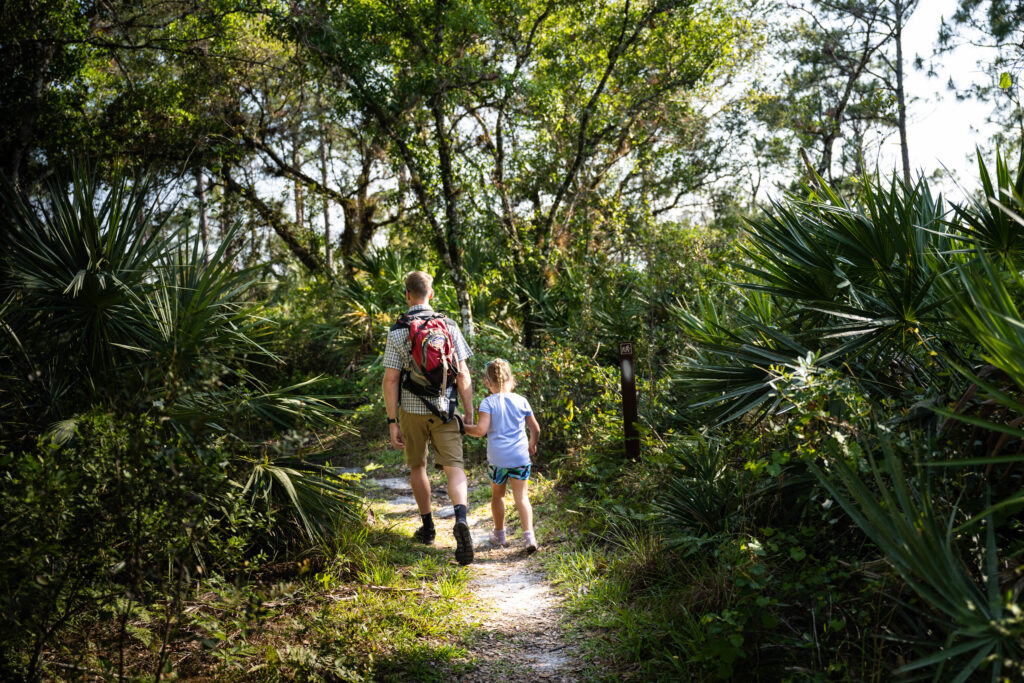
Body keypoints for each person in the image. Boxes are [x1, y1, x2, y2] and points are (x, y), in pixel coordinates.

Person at [382, 271, 476, 565]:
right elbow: (463, 373)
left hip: (412, 411)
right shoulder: (448, 325)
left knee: (417, 466)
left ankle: (428, 527)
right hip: (446, 409)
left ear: (407, 295)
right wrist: (468, 413)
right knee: (454, 467)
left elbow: (391, 379)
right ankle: (460, 517)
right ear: (430, 294)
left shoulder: (399, 331)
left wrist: (392, 420)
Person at [463, 358, 541, 553]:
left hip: (498, 460)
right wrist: (532, 443)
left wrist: (462, 427)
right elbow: (535, 429)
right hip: (520, 457)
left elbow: (480, 431)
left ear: (487, 382)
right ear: (511, 379)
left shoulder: (487, 403)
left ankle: (499, 534)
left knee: (498, 496)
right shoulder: (521, 400)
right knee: (522, 497)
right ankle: (529, 537)